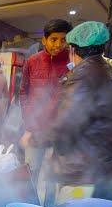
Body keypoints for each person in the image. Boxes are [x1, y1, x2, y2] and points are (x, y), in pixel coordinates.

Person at [38, 21, 112, 206]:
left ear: (73, 50)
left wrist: (38, 139)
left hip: (82, 173)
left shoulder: (84, 75)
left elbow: (67, 125)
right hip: (110, 171)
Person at [18, 19, 73, 183]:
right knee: (31, 174)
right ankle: (29, 206)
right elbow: (23, 93)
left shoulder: (72, 62)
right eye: (54, 39)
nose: (58, 44)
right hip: (36, 131)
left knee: (53, 180)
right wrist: (29, 124)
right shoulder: (32, 62)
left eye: (63, 40)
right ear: (44, 40)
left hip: (61, 133)